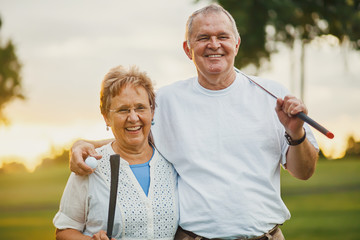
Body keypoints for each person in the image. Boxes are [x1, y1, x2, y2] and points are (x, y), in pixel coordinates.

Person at [70, 4, 319, 240]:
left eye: (222, 36)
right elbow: (133, 139)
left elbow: (304, 172)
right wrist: (85, 144)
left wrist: (296, 132)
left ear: (236, 43)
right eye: (203, 38)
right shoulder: (166, 101)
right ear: (187, 49)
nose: (214, 45)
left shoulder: (272, 95)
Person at [53, 65, 178, 240]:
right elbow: (64, 231)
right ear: (106, 116)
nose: (133, 118)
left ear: (152, 111)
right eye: (123, 110)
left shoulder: (172, 161)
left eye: (140, 108)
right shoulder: (90, 166)